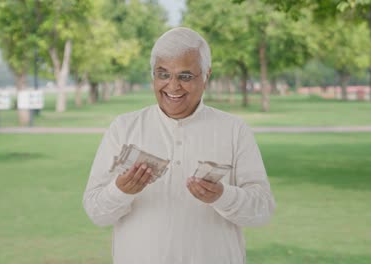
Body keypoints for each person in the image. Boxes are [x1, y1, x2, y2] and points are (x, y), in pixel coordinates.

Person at [83, 27, 275, 264]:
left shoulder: (234, 130)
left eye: (185, 76)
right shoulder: (123, 128)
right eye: (163, 74)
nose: (173, 86)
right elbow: (96, 213)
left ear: (206, 76)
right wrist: (122, 190)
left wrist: (223, 196)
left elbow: (262, 211)